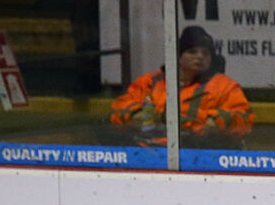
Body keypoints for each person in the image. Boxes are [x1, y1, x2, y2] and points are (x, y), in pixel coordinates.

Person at [108, 25, 254, 147]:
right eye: (192, 52)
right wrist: (141, 116)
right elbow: (118, 110)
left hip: (200, 154)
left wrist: (215, 122)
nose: (200, 57)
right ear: (178, 56)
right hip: (146, 153)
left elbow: (244, 118)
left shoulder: (224, 86)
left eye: (206, 53)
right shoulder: (150, 82)